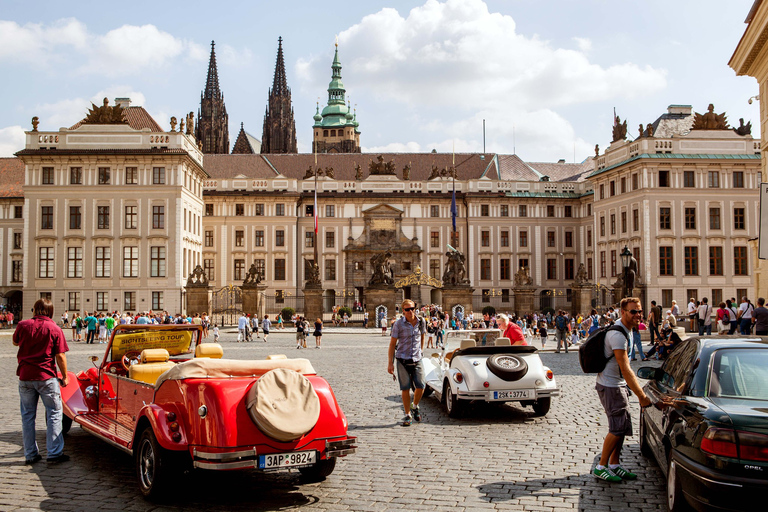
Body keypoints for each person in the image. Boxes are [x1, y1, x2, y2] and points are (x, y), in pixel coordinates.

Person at [594, 297, 654, 482]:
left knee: (622, 427)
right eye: (633, 311)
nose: (638, 315)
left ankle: (614, 464)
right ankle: (601, 466)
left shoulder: (625, 330)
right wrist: (642, 396)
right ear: (623, 312)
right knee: (616, 428)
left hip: (618, 385)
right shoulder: (618, 335)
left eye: (639, 311)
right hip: (611, 386)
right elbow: (625, 367)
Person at [14, 298, 70, 464]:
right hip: (46, 377)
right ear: (51, 312)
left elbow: (15, 341)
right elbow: (60, 355)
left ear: (34, 310)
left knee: (27, 416)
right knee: (54, 413)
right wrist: (65, 376)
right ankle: (54, 453)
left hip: (25, 376)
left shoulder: (22, 325)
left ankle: (30, 454)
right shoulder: (54, 328)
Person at [387, 300, 426, 427]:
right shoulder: (398, 324)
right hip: (402, 359)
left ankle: (414, 406)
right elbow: (392, 344)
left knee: (421, 385)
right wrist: (390, 363)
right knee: (405, 388)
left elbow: (422, 336)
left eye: (412, 308)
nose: (410, 311)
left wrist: (421, 350)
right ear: (402, 310)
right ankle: (408, 414)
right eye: (407, 309)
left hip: (416, 358)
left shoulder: (421, 322)